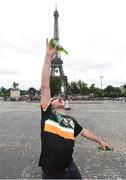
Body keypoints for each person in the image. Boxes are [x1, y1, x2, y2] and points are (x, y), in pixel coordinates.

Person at [38, 39, 111, 179]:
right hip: (52, 175)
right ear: (50, 104)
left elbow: (85, 132)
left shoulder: (71, 120)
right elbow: (45, 85)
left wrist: (100, 141)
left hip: (70, 170)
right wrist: (48, 57)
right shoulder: (47, 115)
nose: (59, 97)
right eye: (54, 98)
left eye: (60, 97)